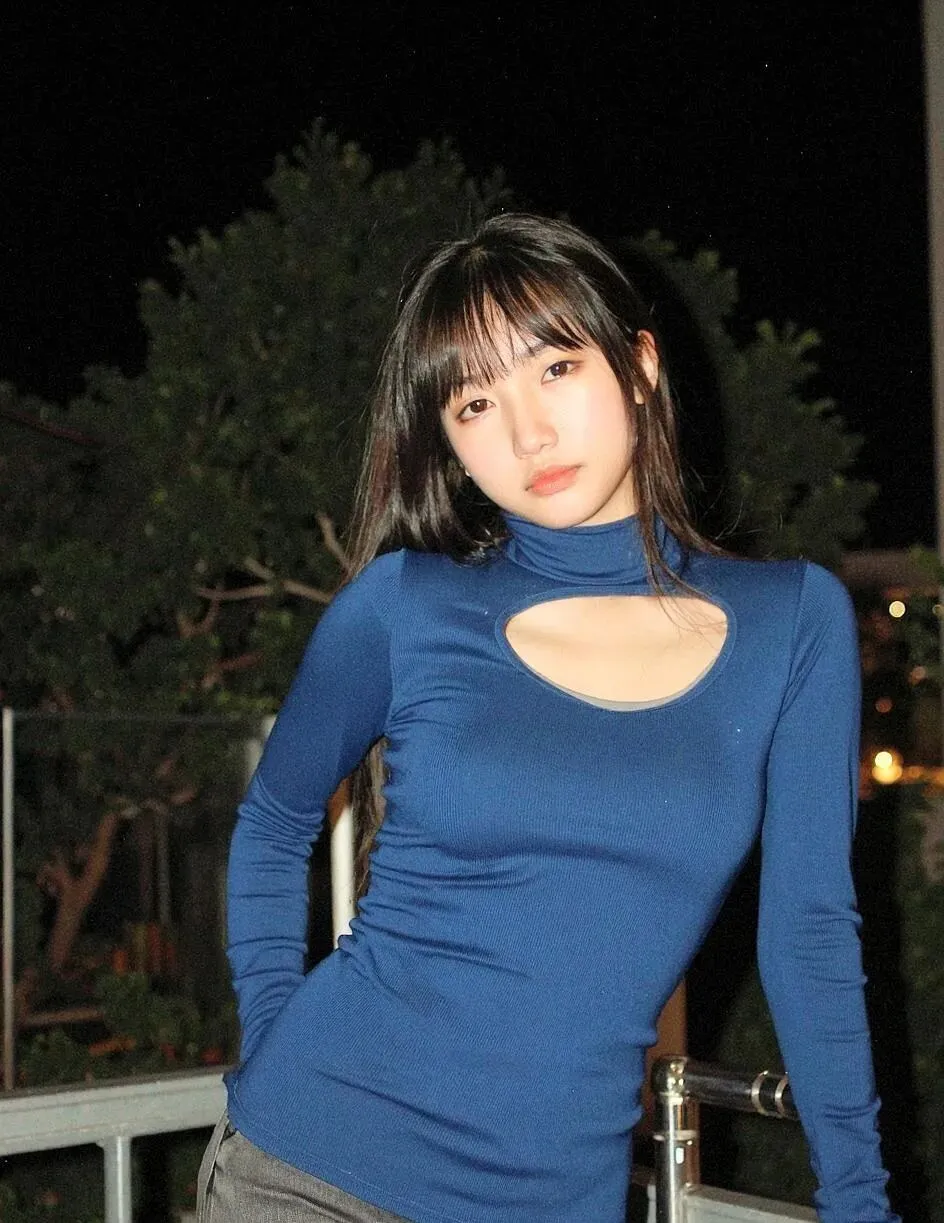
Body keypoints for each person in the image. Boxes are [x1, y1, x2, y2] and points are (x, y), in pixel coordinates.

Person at [197, 213, 898, 1222]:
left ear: (640, 365)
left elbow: (809, 936)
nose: (526, 433)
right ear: (448, 439)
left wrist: (858, 1200)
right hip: (308, 1169)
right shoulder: (405, 606)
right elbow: (272, 820)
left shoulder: (791, 623)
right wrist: (272, 1033)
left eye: (556, 369)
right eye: (476, 402)